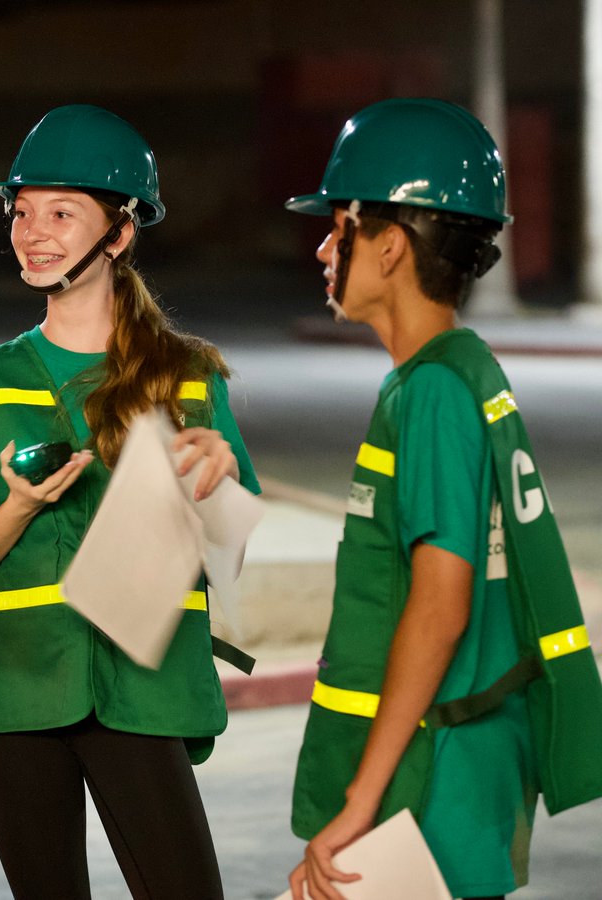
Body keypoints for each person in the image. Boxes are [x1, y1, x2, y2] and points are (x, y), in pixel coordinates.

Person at [0, 104, 260, 899]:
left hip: (143, 687)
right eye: (23, 212)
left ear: (120, 233)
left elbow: (229, 559)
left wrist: (220, 476)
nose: (33, 232)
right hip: (16, 693)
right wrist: (18, 508)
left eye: (62, 213)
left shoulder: (187, 378)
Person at [283, 98, 602, 900]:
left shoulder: (431, 393)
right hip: (457, 763)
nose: (324, 248)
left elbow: (440, 604)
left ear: (389, 245)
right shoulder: (458, 372)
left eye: (340, 226)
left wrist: (361, 803)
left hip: (434, 778)